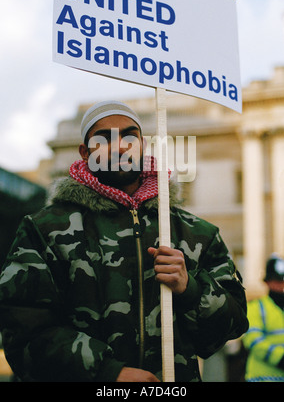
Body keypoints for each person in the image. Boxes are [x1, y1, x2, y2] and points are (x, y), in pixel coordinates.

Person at [0, 100, 248, 382]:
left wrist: (189, 288)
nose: (119, 147)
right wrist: (108, 373)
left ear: (143, 146)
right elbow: (23, 331)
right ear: (85, 152)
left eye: (130, 136)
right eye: (104, 138)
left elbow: (232, 326)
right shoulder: (43, 230)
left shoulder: (195, 233)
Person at [242, 254, 284, 382]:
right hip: (261, 377)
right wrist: (280, 358)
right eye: (276, 281)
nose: (280, 285)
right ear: (267, 282)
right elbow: (253, 341)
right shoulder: (255, 307)